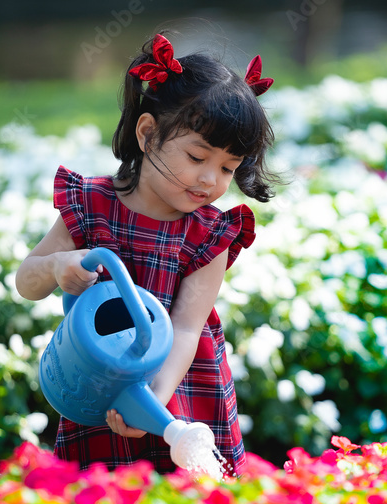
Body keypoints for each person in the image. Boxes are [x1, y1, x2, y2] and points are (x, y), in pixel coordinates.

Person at [16, 33, 277, 478]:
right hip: (101, 377)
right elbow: (26, 282)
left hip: (180, 384)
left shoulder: (208, 233)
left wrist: (152, 403)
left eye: (229, 168)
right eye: (198, 156)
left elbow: (187, 325)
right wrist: (58, 268)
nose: (211, 179)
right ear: (148, 133)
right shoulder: (92, 206)